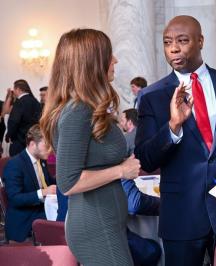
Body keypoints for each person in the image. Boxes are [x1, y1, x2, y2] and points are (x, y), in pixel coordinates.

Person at [135, 15, 216, 265]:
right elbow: (145, 158)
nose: (174, 48)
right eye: (167, 42)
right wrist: (173, 126)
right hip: (181, 217)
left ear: (200, 41)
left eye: (182, 40)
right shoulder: (152, 96)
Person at [40, 28, 141, 266]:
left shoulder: (87, 107)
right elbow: (68, 182)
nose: (115, 60)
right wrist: (121, 171)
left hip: (105, 220)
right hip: (95, 224)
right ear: (92, 63)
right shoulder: (78, 111)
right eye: (109, 55)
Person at [3, 124, 56, 242]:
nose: (50, 149)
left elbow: (50, 182)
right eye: (46, 145)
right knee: (63, 219)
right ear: (32, 144)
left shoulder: (40, 160)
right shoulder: (15, 165)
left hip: (39, 208)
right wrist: (42, 192)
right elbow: (15, 198)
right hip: (24, 218)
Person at [5, 79, 41, 156]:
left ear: (18, 89)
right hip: (33, 142)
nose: (14, 91)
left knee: (17, 165)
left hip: (19, 142)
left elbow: (14, 121)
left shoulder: (20, 101)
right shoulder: (35, 101)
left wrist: (9, 135)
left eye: (14, 89)